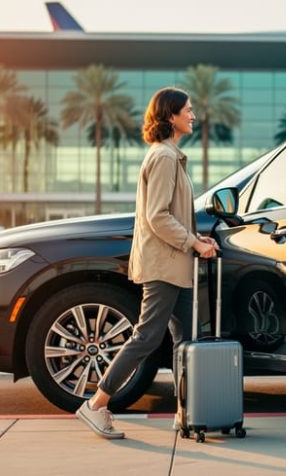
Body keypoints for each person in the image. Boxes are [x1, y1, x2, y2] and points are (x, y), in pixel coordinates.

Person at [76, 87, 218, 439]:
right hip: (164, 265)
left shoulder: (170, 156)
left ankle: (188, 412)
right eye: (188, 109)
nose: (193, 114)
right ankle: (96, 404)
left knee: (187, 339)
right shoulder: (165, 158)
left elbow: (172, 215)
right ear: (170, 116)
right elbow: (158, 217)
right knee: (146, 337)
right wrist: (192, 243)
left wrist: (199, 241)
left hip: (176, 264)